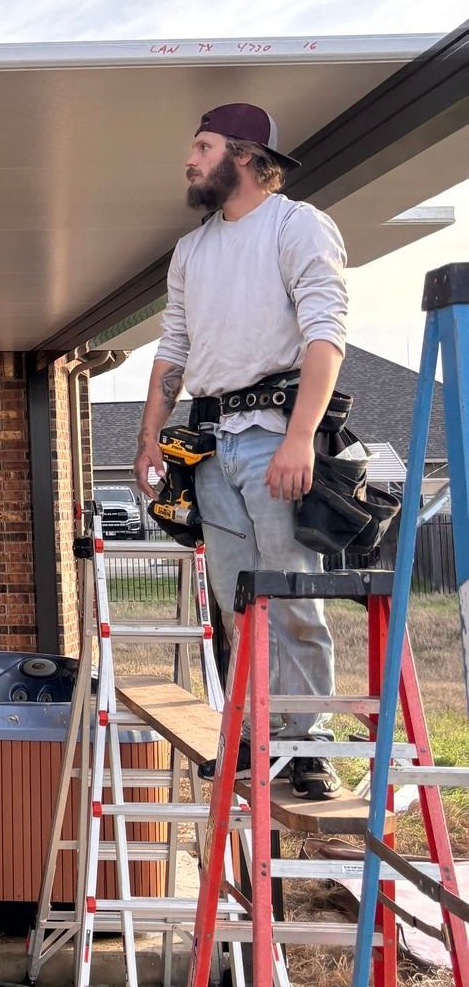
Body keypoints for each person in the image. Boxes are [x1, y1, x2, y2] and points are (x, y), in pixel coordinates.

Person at [134, 103, 347, 799]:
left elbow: (326, 336)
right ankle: (255, 736)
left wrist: (298, 439)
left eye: (202, 146)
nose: (190, 160)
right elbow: (173, 349)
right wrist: (148, 440)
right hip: (213, 444)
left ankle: (307, 741)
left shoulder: (296, 225)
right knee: (234, 601)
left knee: (291, 593)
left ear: (248, 159)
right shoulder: (192, 250)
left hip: (275, 434)